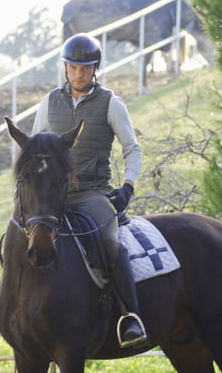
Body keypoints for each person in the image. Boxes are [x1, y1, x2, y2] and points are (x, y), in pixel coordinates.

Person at [31, 33, 148, 349]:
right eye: (72, 67)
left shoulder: (111, 104)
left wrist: (128, 186)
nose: (78, 74)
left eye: (85, 68)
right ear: (65, 67)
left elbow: (132, 149)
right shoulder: (48, 103)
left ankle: (130, 317)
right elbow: (32, 147)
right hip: (53, 198)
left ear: (95, 69)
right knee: (22, 235)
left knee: (111, 243)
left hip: (93, 195)